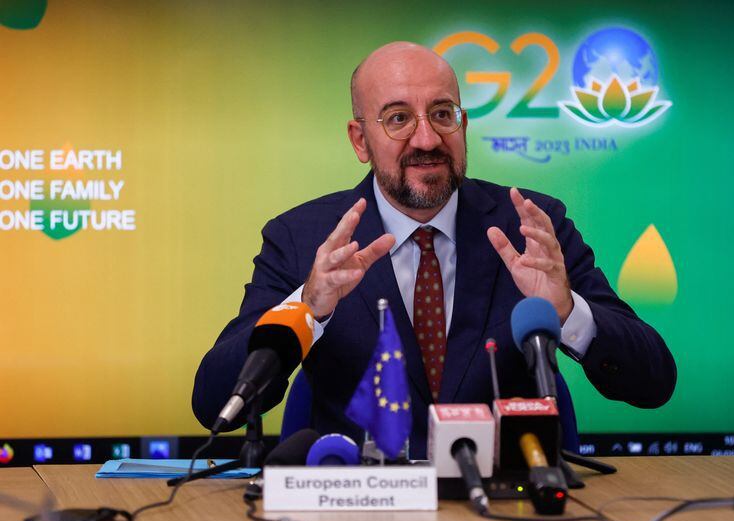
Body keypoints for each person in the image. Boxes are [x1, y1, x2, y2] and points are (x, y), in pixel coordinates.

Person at [192, 42, 676, 458]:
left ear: (463, 124)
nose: (427, 139)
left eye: (443, 114)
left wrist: (568, 311)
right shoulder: (304, 238)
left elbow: (653, 381)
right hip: (359, 509)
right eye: (398, 118)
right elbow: (213, 404)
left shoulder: (530, 225)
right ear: (361, 139)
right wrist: (307, 309)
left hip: (509, 507)